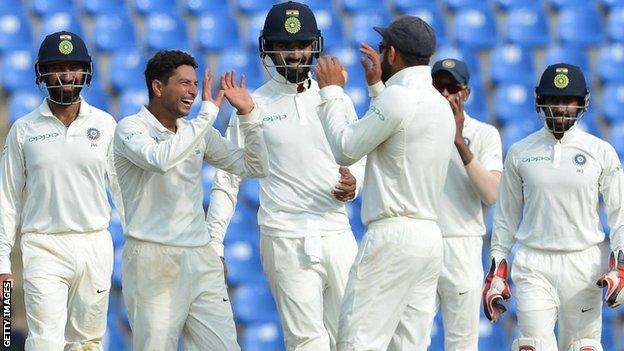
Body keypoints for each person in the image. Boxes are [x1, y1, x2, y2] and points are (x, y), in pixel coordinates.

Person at [205, 2, 364, 350]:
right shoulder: (252, 104)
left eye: (302, 45)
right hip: (284, 236)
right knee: (306, 341)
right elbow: (227, 179)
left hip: (337, 230)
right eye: (285, 46)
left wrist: (355, 183)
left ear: (314, 46)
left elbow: (360, 156)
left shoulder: (335, 98)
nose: (295, 54)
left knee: (354, 338)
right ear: (268, 48)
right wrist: (215, 242)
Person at [313, 15, 456, 351]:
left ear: (392, 54)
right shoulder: (438, 103)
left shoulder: (399, 98)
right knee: (409, 345)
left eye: (382, 48)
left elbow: (346, 149)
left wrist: (332, 91)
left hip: (393, 237)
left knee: (356, 341)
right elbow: (397, 135)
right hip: (429, 238)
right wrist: (377, 87)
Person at [114, 50, 268, 351]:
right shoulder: (130, 128)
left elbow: (254, 167)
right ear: (158, 87)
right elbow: (161, 159)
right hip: (152, 257)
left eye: (195, 84)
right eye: (184, 83)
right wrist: (207, 114)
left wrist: (248, 117)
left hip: (200, 257)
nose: (194, 92)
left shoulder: (196, 131)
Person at [483, 63, 624, 351]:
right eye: (554, 100)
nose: (560, 108)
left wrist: (620, 263)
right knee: (532, 346)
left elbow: (619, 214)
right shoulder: (521, 152)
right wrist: (497, 270)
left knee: (583, 346)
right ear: (541, 102)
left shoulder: (600, 152)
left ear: (581, 102)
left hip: (584, 264)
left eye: (568, 100)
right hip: (534, 263)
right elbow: (506, 219)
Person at [0, 31, 120, 350]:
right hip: (44, 244)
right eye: (58, 67)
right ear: (42, 72)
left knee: (88, 342)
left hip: (94, 241)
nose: (67, 76)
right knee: (45, 342)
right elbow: (6, 200)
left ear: (86, 71)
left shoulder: (106, 124)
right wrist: (2, 265)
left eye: (74, 67)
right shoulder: (23, 129)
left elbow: (125, 193)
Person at [430, 58, 503, 351]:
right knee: (409, 336)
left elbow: (492, 193)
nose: (446, 95)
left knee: (462, 343)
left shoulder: (484, 134)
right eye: (440, 87)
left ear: (467, 93)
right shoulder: (414, 127)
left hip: (462, 244)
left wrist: (459, 141)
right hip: (422, 240)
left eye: (453, 88)